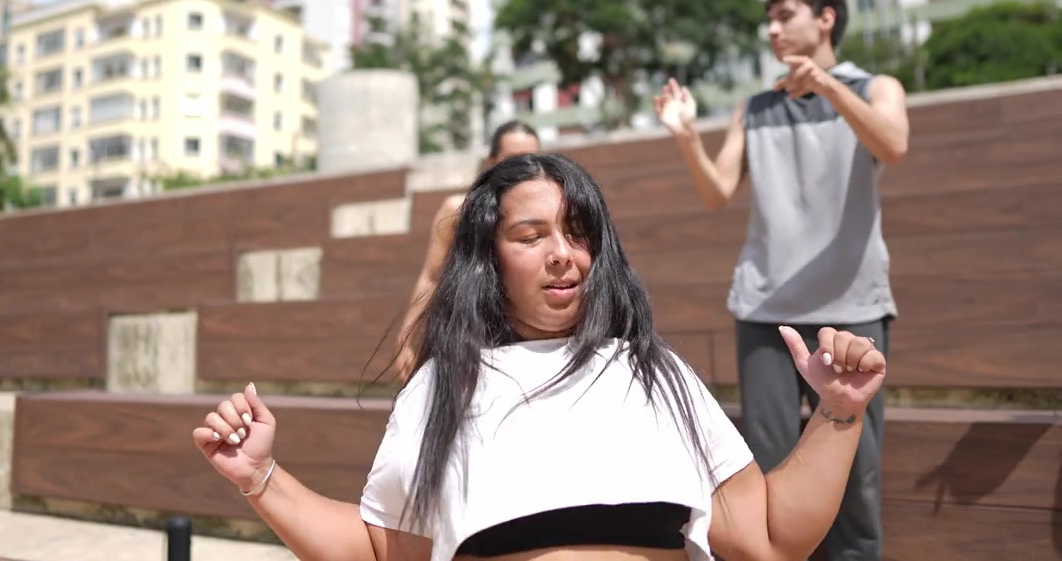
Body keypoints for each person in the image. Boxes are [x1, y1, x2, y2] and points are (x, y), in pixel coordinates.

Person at [193, 152, 888, 561]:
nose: (562, 253)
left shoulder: (653, 372)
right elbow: (381, 551)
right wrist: (261, 477)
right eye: (531, 236)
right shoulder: (443, 387)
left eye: (578, 233)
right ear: (488, 259)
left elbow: (769, 539)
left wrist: (838, 412)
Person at [653, 0, 909, 561]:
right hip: (765, 309)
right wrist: (686, 136)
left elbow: (893, 145)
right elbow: (717, 192)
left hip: (853, 305)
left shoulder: (878, 87)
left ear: (826, 18)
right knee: (769, 470)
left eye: (785, 15)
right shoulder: (756, 107)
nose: (772, 29)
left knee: (858, 475)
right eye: (768, 19)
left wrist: (827, 85)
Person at [393, 120, 540, 379]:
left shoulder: (551, 213)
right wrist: (407, 335)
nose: (523, 167)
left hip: (536, 341)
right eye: (513, 159)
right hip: (476, 341)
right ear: (492, 161)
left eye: (531, 158)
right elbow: (432, 276)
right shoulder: (459, 212)